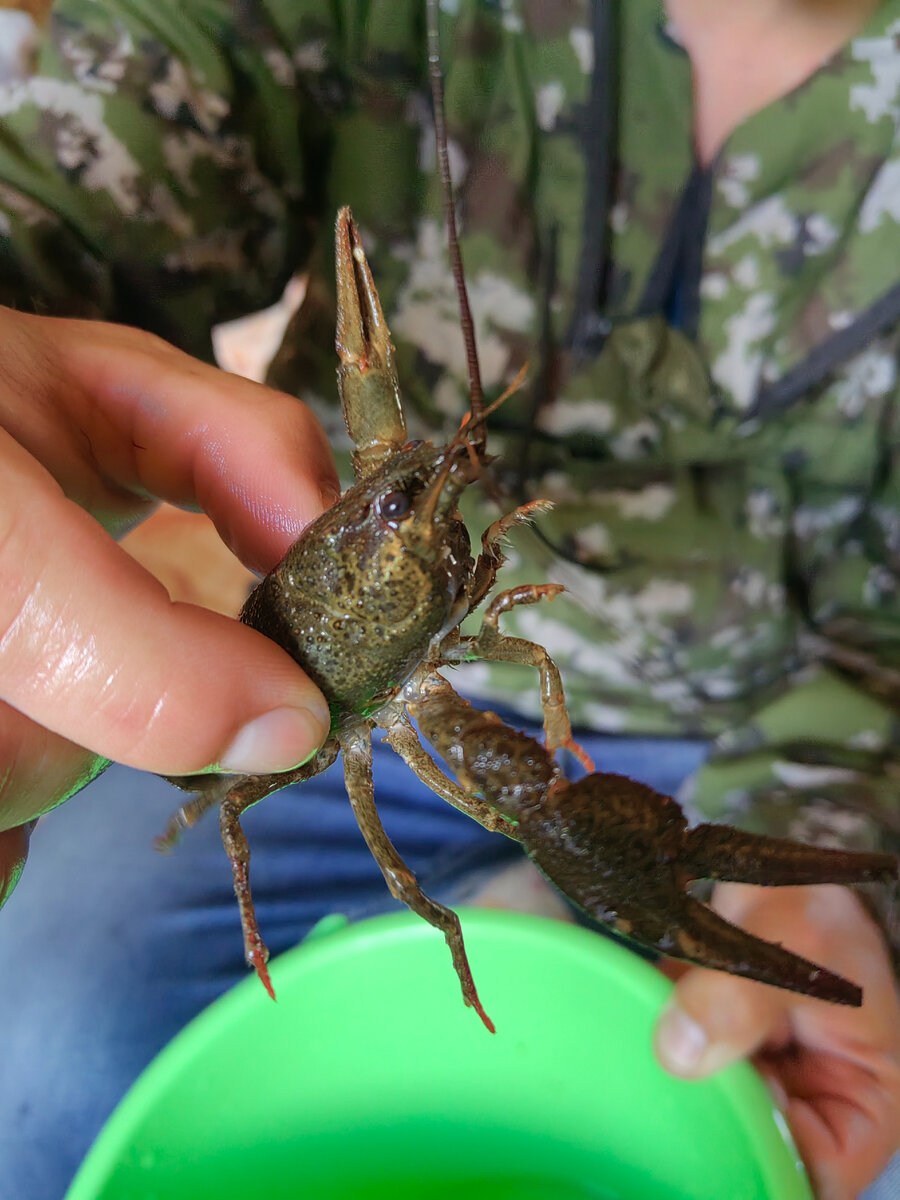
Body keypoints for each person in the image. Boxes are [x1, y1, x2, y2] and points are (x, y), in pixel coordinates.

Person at [0, 1, 899, 1197]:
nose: (426, 493)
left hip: (800, 716)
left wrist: (834, 807)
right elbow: (55, 194)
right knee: (44, 1045)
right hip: (348, 734)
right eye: (398, 500)